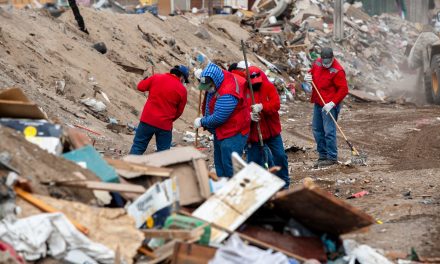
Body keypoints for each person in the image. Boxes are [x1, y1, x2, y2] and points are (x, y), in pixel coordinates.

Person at [194, 63, 250, 178]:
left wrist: (202, 122)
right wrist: (202, 77)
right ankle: (222, 184)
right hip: (222, 131)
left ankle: (233, 190)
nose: (208, 90)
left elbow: (219, 117)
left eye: (209, 86)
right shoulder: (219, 76)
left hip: (233, 131)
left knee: (230, 165)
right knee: (219, 162)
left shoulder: (228, 93)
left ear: (215, 82)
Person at [246, 66, 290, 188]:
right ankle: (256, 188)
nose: (256, 84)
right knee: (253, 162)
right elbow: (239, 110)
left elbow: (276, 104)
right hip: (254, 134)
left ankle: (284, 185)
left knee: (280, 156)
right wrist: (248, 116)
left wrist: (262, 107)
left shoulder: (269, 87)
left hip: (272, 132)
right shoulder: (245, 92)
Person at [304, 47, 348, 168]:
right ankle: (322, 156)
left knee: (329, 131)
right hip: (319, 101)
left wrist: (332, 103)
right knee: (317, 129)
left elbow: (343, 89)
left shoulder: (338, 70)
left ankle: (332, 157)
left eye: (328, 62)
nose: (326, 65)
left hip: (329, 104)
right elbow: (311, 71)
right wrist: (307, 76)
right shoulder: (318, 62)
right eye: (324, 62)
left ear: (332, 58)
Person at [129, 65, 189, 155]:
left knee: (138, 146)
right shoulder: (182, 90)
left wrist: (146, 80)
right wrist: (169, 119)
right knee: (163, 154)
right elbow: (179, 111)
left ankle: (128, 168)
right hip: (164, 125)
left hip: (147, 120)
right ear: (182, 77)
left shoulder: (156, 77)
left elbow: (140, 87)